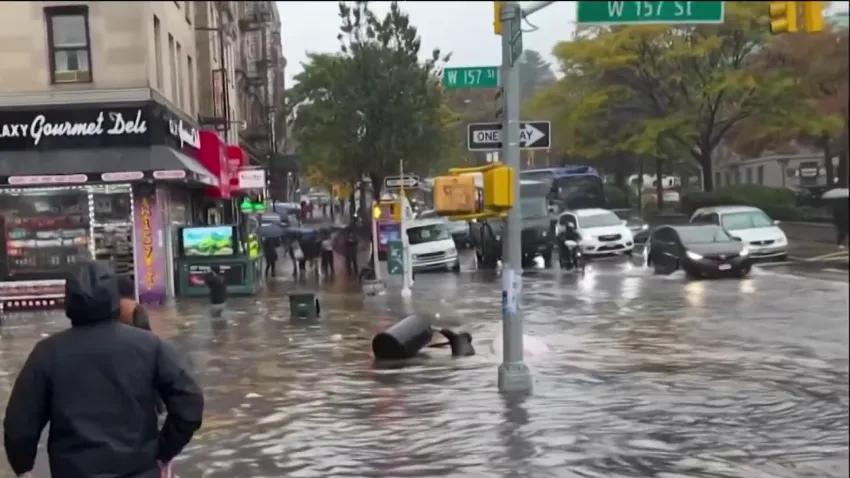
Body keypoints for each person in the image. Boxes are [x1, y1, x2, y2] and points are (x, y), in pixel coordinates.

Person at [3, 260, 203, 478]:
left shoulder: (47, 353)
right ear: (114, 297)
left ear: (69, 300)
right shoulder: (150, 346)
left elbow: (19, 423)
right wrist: (164, 449)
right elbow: (189, 402)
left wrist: (23, 468)